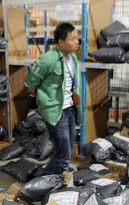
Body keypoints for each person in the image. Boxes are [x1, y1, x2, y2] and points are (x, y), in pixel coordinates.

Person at [24, 23, 81, 175]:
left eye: (77, 38)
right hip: (55, 112)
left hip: (69, 109)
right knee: (65, 153)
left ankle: (43, 176)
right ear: (61, 42)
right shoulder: (47, 60)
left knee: (65, 149)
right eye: (73, 39)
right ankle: (60, 186)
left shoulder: (73, 58)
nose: (77, 42)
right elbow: (30, 82)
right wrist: (44, 101)